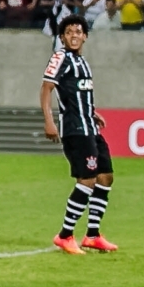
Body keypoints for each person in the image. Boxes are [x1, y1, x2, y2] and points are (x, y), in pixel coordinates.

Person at [40, 15, 116, 255]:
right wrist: (49, 121)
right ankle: (65, 235)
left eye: (78, 31)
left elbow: (77, 92)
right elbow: (46, 88)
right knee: (87, 180)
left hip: (90, 128)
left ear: (85, 36)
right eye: (69, 32)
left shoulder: (82, 62)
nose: (74, 35)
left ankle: (92, 235)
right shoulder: (60, 57)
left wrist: (92, 112)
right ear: (62, 37)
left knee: (105, 177)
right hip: (75, 130)